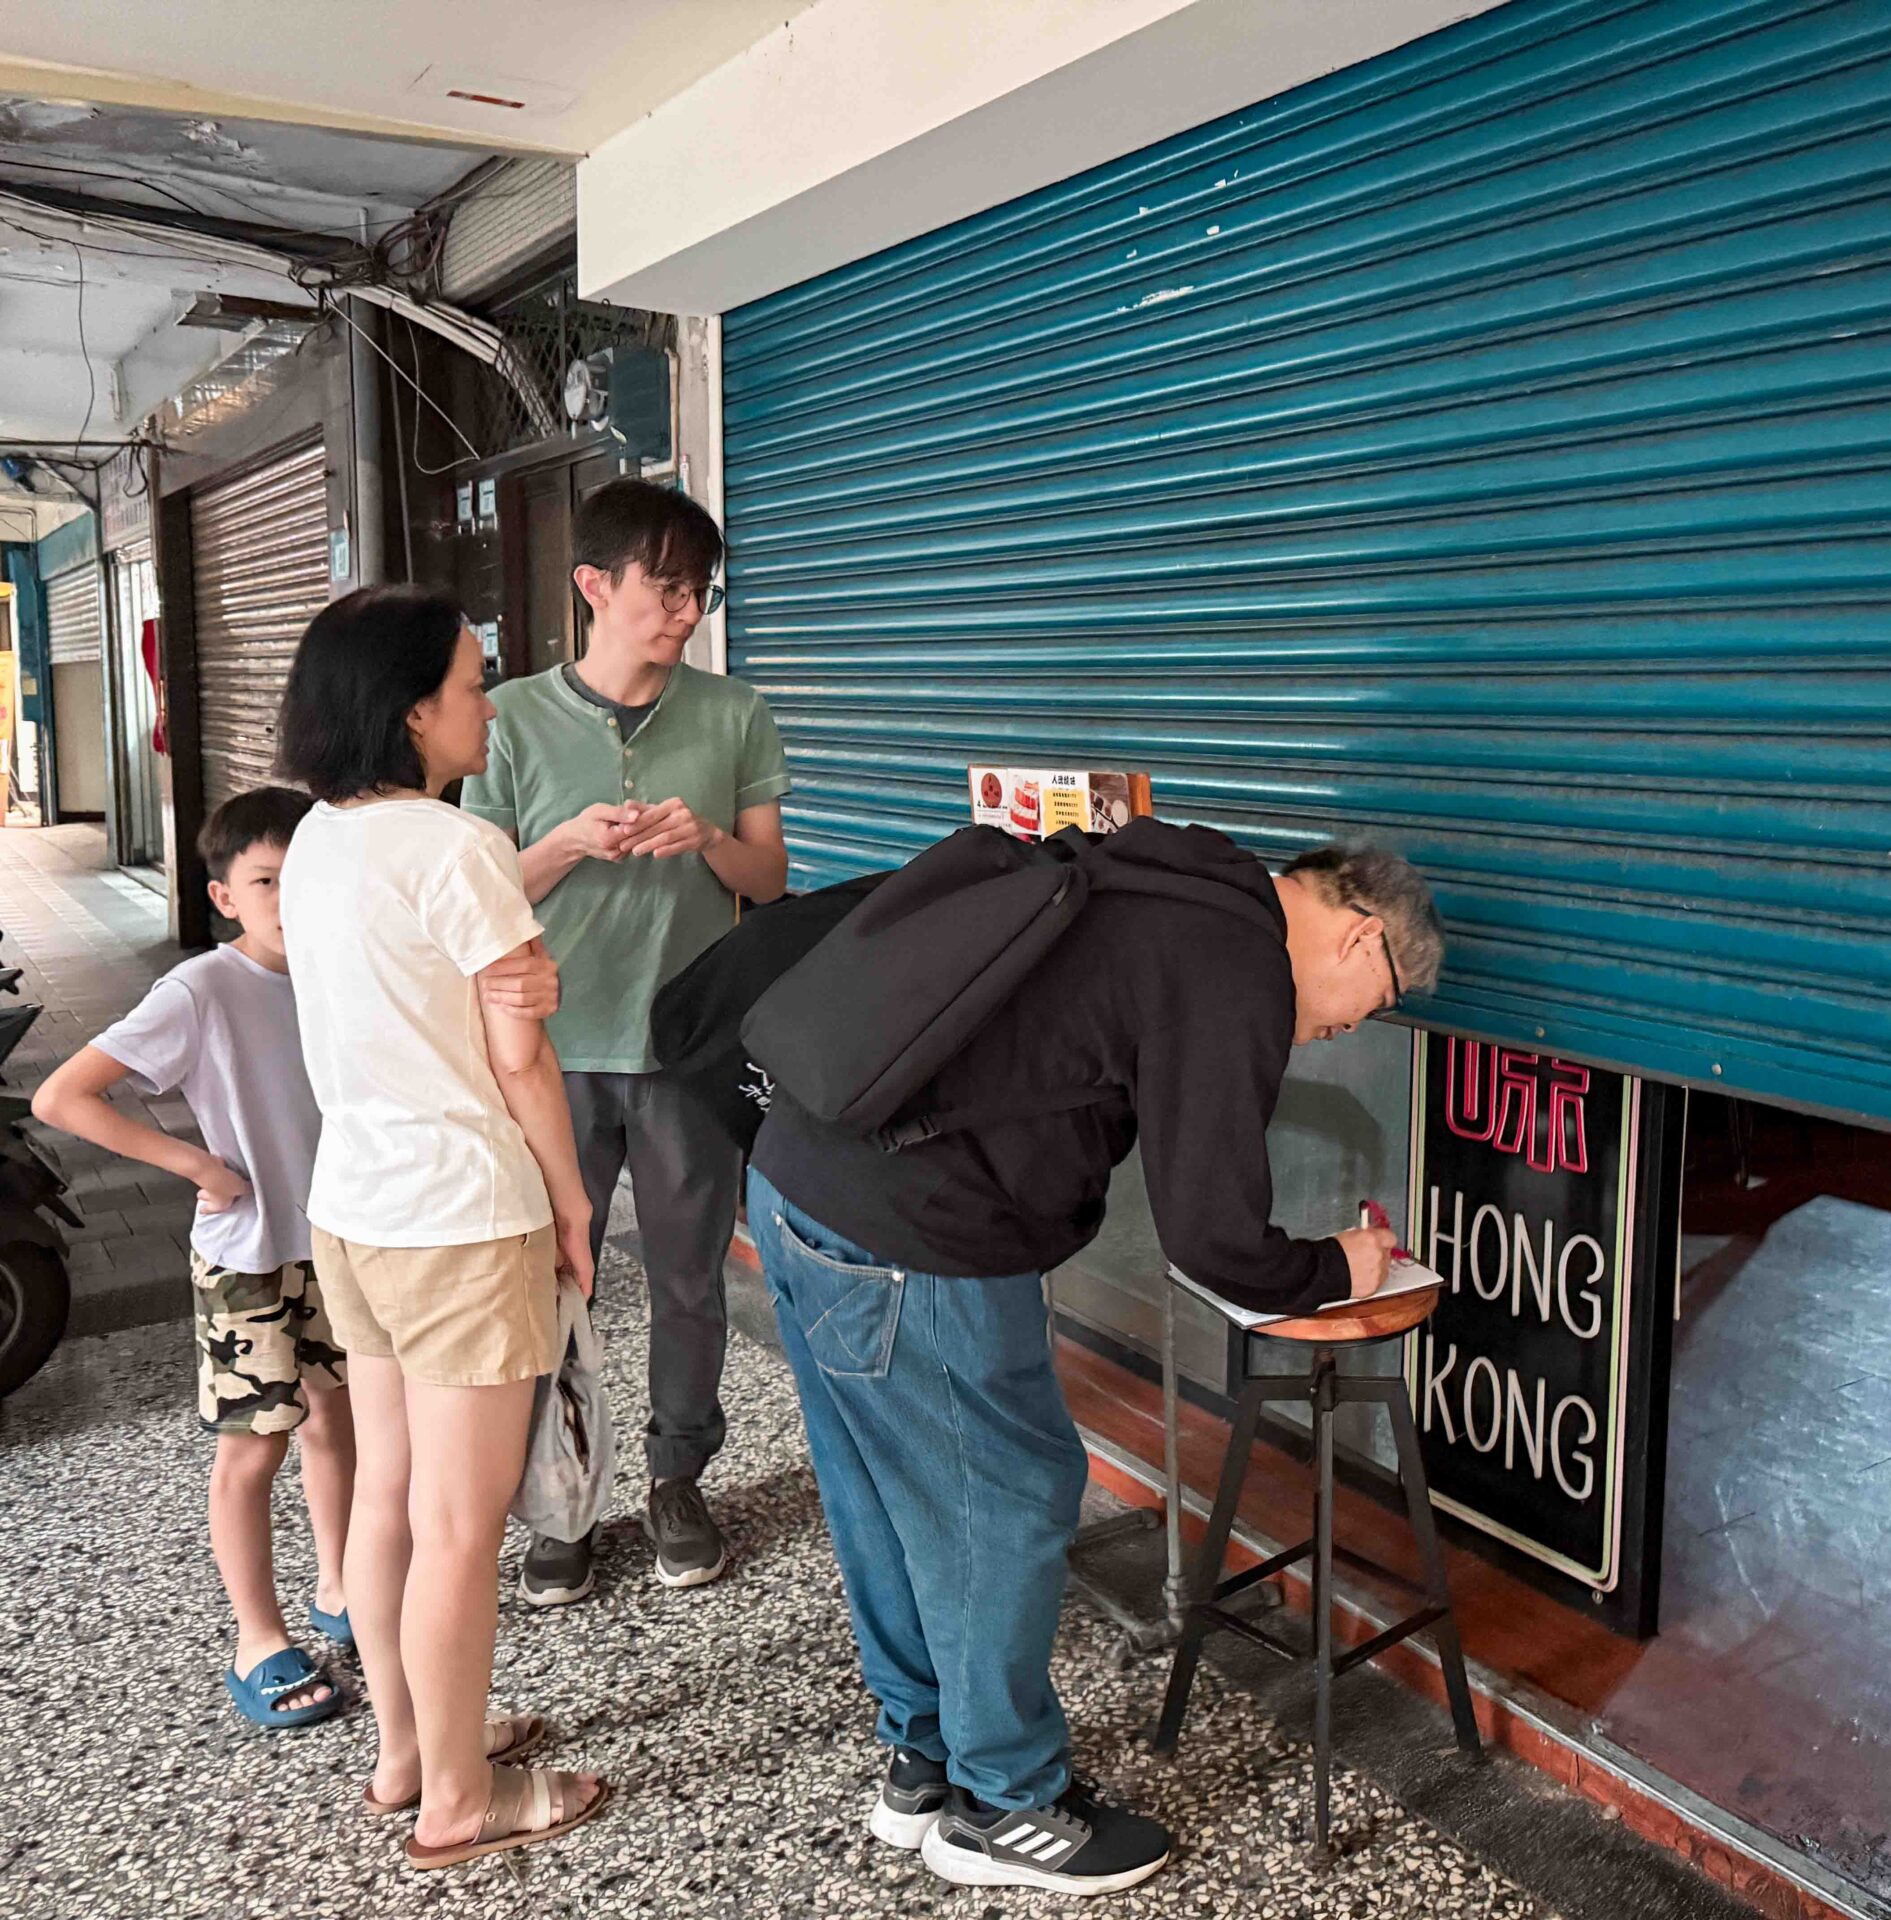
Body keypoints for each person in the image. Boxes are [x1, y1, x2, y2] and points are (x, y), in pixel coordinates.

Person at [746, 822, 1444, 1896]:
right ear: (1361, 939)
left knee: (885, 1494)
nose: (1348, 1030)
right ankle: (1004, 1806)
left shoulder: (1170, 881)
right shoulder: (1236, 967)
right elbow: (1216, 1239)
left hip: (799, 1179)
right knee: (1004, 1499)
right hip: (914, 1232)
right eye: (1379, 1004)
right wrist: (1340, 1267)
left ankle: (925, 1761)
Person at [276, 584, 610, 1870]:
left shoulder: (318, 841)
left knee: (390, 1498)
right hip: (465, 1220)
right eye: (475, 684)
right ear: (413, 711)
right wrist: (574, 1204)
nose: (489, 701)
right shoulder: (454, 844)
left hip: (355, 1210)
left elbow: (410, 971)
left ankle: (408, 1752)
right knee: (465, 1530)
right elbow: (522, 1064)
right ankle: (464, 1803)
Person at [463, 478, 790, 1604]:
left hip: (691, 1046)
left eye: (699, 589)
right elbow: (475, 887)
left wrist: (704, 840)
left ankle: (676, 1478)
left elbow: (771, 880)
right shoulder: (503, 717)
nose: (686, 608)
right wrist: (561, 847)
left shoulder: (734, 713)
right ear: (596, 585)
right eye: (665, 586)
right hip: (547, 1048)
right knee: (557, 1281)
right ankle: (562, 1497)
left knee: (691, 1279)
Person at [36, 789, 374, 1730]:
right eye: (266, 880)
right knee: (252, 1450)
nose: (288, 896)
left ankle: (340, 1587)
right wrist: (195, 1165)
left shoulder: (340, 971)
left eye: (303, 876)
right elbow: (67, 1096)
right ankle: (257, 1638)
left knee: (335, 1423)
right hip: (250, 1260)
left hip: (338, 1245)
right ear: (224, 896)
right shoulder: (202, 989)